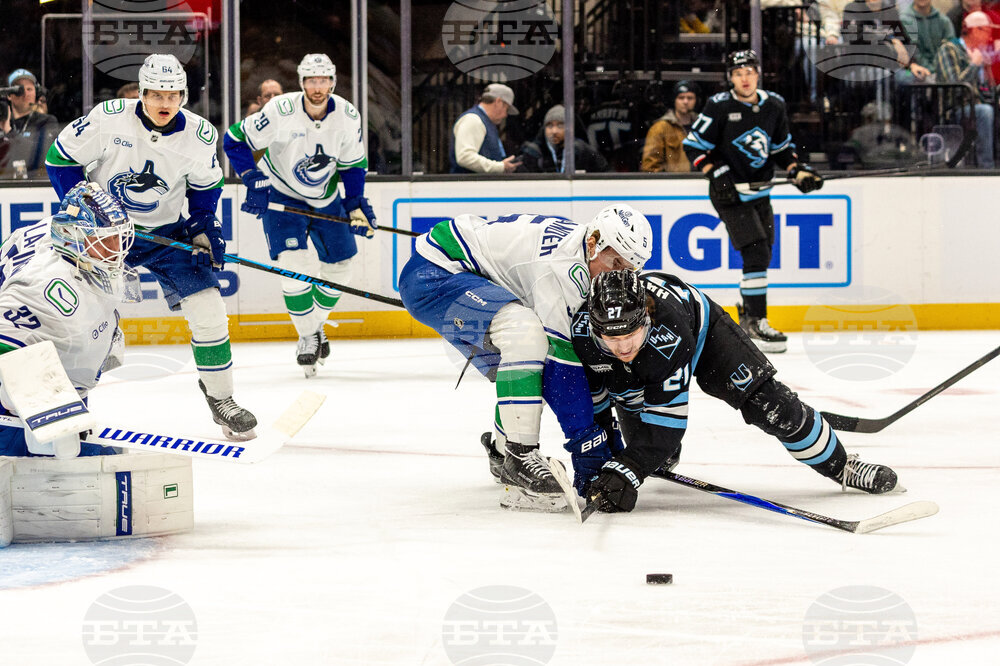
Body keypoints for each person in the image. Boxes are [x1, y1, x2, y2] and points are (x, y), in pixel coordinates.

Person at [45, 54, 258, 441]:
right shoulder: (109, 117)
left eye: (173, 94)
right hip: (101, 233)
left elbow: (206, 185)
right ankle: (70, 405)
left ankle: (222, 399)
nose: (164, 103)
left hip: (166, 234)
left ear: (184, 96)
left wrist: (204, 222)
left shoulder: (200, 135)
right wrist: (84, 204)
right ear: (141, 93)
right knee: (79, 317)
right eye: (156, 94)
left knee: (209, 308)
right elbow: (60, 159)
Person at [572, 270, 901, 513]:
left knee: (773, 408)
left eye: (630, 335)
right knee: (630, 405)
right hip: (653, 355)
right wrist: (609, 459)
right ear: (592, 327)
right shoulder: (580, 335)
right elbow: (594, 406)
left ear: (647, 319)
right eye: (610, 340)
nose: (622, 347)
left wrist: (630, 465)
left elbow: (668, 425)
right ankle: (658, 455)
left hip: (705, 333)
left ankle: (842, 466)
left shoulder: (668, 333)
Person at [398, 205, 652, 511]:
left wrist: (603, 435)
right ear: (592, 243)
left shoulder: (584, 257)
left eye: (627, 270)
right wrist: (587, 443)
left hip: (466, 272)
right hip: (434, 274)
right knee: (527, 335)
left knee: (534, 366)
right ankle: (519, 459)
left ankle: (502, 449)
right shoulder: (561, 269)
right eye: (613, 263)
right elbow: (562, 368)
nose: (617, 276)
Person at [223, 53, 377, 377]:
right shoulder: (280, 110)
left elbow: (353, 164)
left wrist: (355, 202)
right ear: (301, 81)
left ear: (332, 82)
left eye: (323, 81)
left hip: (326, 198)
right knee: (293, 266)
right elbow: (234, 140)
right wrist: (252, 177)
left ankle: (313, 327)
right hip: (282, 194)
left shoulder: (348, 115)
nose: (317, 87)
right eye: (311, 80)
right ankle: (309, 336)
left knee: (342, 270)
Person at [682, 50, 824, 354]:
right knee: (756, 252)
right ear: (730, 78)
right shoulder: (719, 106)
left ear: (758, 74)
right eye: (737, 73)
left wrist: (797, 171)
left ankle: (748, 316)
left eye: (749, 71)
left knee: (762, 256)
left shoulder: (774, 104)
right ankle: (758, 319)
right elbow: (693, 146)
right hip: (729, 194)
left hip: (760, 192)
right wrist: (716, 172)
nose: (744, 78)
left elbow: (782, 150)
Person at [0, 182, 135, 457]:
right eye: (105, 240)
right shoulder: (42, 286)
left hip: (60, 374)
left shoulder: (64, 233)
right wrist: (47, 412)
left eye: (117, 237)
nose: (116, 248)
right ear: (71, 237)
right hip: (12, 407)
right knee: (76, 465)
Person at [935, 10, 997, 168]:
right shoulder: (949, 49)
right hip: (957, 110)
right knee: (984, 112)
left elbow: (987, 92)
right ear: (975, 30)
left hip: (978, 105)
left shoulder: (979, 53)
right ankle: (987, 167)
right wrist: (974, 65)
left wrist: (988, 72)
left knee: (986, 110)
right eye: (987, 31)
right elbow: (954, 86)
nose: (990, 37)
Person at [449, 83, 520, 174]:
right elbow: (465, 157)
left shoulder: (482, 121)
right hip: (471, 186)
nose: (505, 115)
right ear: (498, 102)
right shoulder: (473, 120)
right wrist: (500, 167)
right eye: (506, 109)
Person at [518, 104, 609, 173]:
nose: (554, 131)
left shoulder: (581, 149)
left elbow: (605, 171)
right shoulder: (532, 153)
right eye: (549, 126)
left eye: (560, 125)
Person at [5, 69, 58, 176]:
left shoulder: (46, 121)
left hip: (35, 186)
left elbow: (40, 155)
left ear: (36, 93)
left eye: (29, 89)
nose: (25, 93)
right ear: (9, 95)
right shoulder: (3, 122)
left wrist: (9, 132)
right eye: (19, 89)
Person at [640, 80, 700, 173]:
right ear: (674, 100)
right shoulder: (660, 128)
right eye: (681, 97)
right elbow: (650, 166)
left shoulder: (702, 125)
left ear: (696, 100)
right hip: (673, 183)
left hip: (701, 182)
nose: (685, 101)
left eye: (690, 98)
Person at [897, 0, 956, 85]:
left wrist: (937, 71)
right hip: (912, 69)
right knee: (905, 76)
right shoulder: (903, 20)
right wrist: (927, 70)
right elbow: (908, 51)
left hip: (942, 71)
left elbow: (951, 48)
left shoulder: (944, 21)